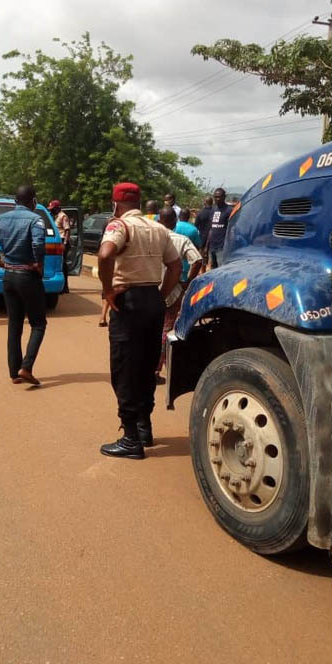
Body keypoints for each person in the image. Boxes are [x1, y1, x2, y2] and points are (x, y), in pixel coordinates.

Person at [98, 182, 182, 459]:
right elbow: (175, 265)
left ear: (116, 203)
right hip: (153, 301)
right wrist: (161, 295)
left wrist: (108, 290)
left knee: (124, 368)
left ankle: (131, 438)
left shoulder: (119, 226)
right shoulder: (158, 228)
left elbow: (105, 254)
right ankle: (145, 428)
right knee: (147, 367)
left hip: (129, 302)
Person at [0, 185, 47, 385]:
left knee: (14, 325)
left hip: (9, 276)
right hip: (28, 276)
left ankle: (14, 372)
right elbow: (38, 243)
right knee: (38, 324)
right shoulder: (35, 219)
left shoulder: (0, 219)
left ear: (15, 201)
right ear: (33, 201)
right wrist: (39, 264)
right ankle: (26, 367)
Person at [155, 206, 202, 383]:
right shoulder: (181, 240)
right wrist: (187, 282)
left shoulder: (149, 238)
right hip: (172, 292)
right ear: (175, 222)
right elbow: (197, 260)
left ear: (159, 221)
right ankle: (157, 369)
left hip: (147, 291)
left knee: (147, 330)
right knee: (166, 330)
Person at [48, 200, 71, 294]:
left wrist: (65, 243)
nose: (51, 210)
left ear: (57, 208)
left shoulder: (63, 216)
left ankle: (64, 287)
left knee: (62, 264)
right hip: (57, 241)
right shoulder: (54, 217)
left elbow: (67, 230)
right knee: (58, 264)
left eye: (52, 209)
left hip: (62, 241)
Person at [207, 187, 232, 268]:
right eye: (215, 197)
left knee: (222, 268)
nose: (217, 199)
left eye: (219, 197)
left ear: (224, 197)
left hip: (222, 247)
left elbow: (232, 229)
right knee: (213, 269)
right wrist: (206, 247)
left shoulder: (229, 210)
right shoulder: (212, 209)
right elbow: (211, 229)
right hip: (212, 246)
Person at [194, 195, 214, 271]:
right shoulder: (215, 212)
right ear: (212, 203)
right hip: (214, 237)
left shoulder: (200, 213)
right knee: (212, 255)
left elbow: (196, 226)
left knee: (203, 256)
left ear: (204, 202)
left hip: (202, 237)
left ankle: (203, 271)